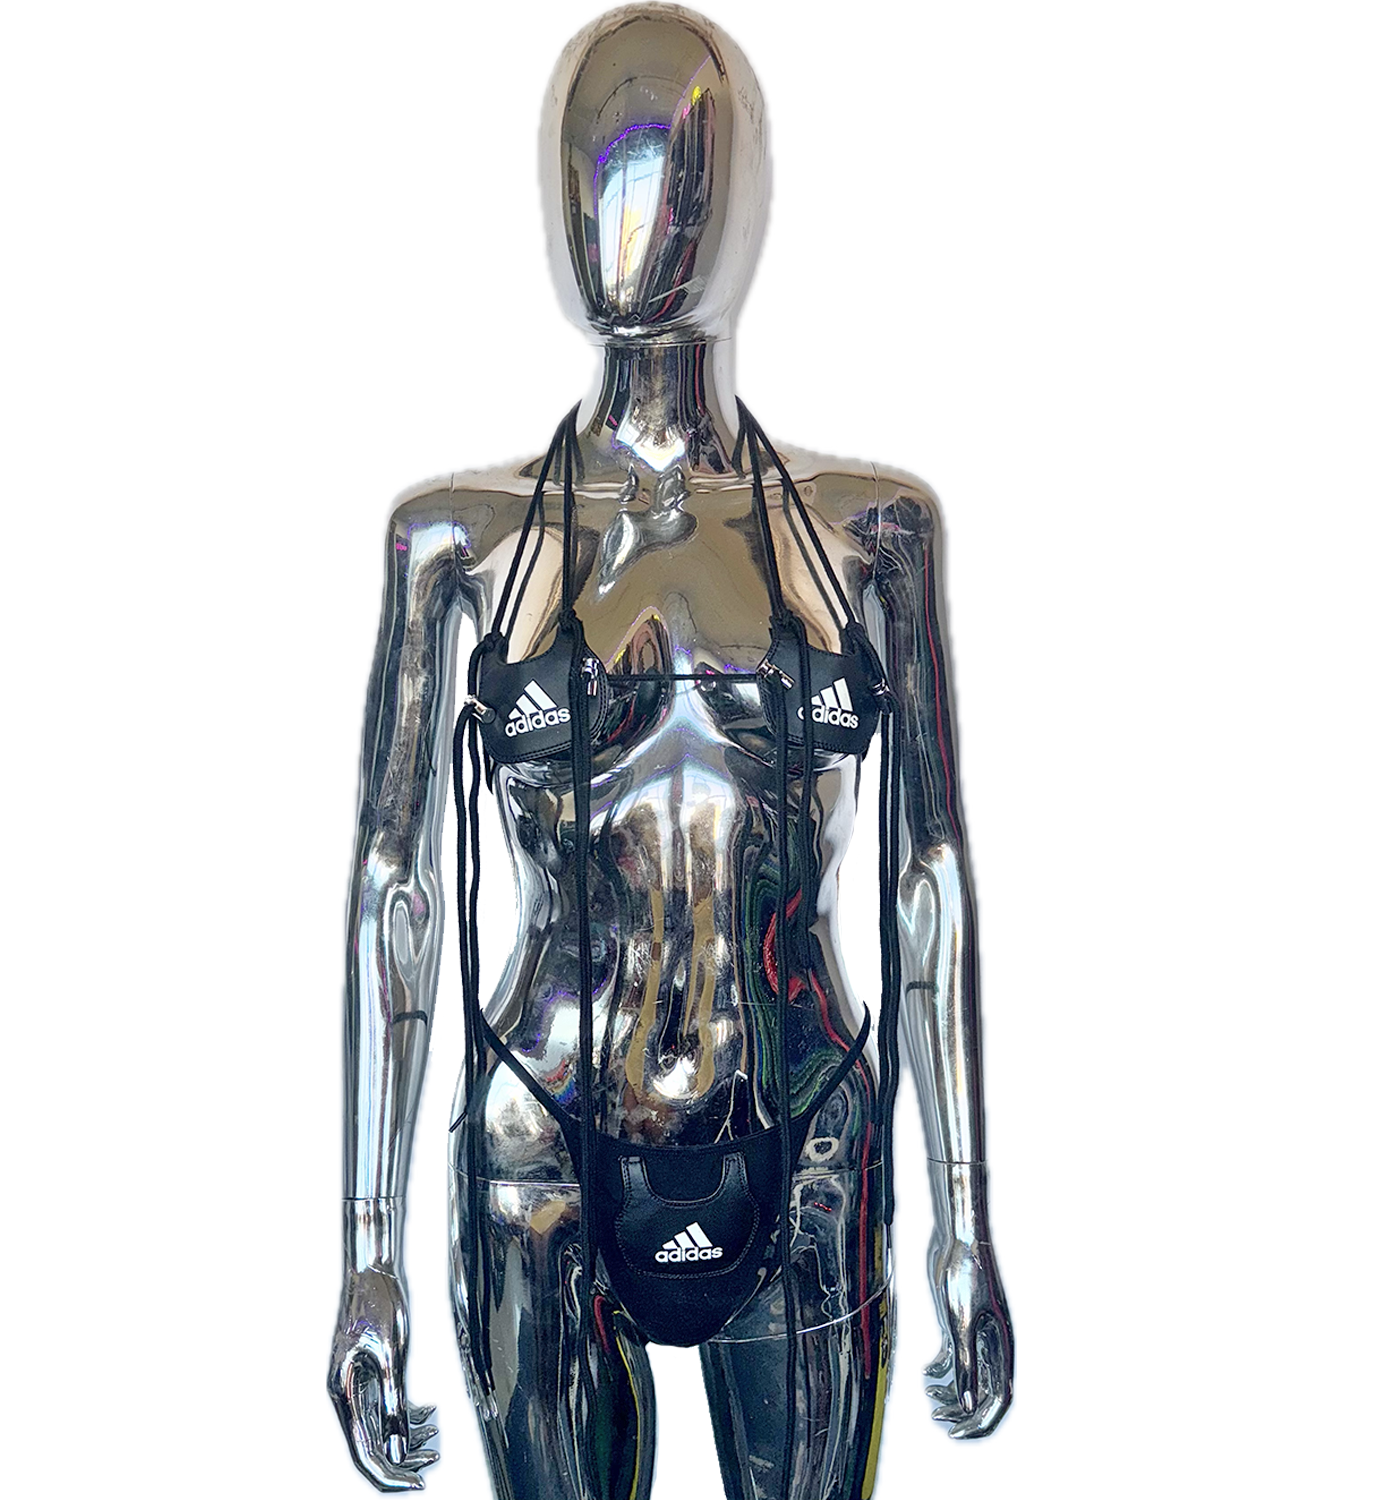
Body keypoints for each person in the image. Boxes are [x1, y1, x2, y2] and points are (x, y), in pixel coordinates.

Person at [328, 6, 1013, 1496]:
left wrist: (966, 1213)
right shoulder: (460, 540)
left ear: (747, 199)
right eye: (596, 167)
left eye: (669, 163)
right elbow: (396, 891)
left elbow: (932, 880)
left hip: (807, 1125)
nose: (628, 215)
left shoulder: (867, 532)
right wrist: (366, 1251)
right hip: (543, 1140)